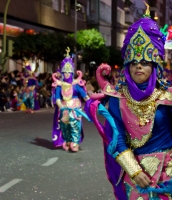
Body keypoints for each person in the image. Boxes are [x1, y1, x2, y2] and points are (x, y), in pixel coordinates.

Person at [86, 3, 172, 200]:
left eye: (144, 63)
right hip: (136, 178)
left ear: (154, 66)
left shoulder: (167, 97)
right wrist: (134, 171)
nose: (138, 67)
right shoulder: (118, 99)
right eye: (133, 63)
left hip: (168, 173)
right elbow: (116, 139)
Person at [52, 47, 91, 152]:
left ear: (72, 73)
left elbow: (84, 95)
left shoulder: (76, 84)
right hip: (64, 108)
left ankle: (75, 142)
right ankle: (67, 141)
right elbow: (57, 98)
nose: (67, 74)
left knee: (74, 125)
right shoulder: (59, 85)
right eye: (65, 72)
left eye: (69, 72)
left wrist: (90, 101)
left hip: (75, 108)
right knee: (65, 126)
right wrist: (61, 106)